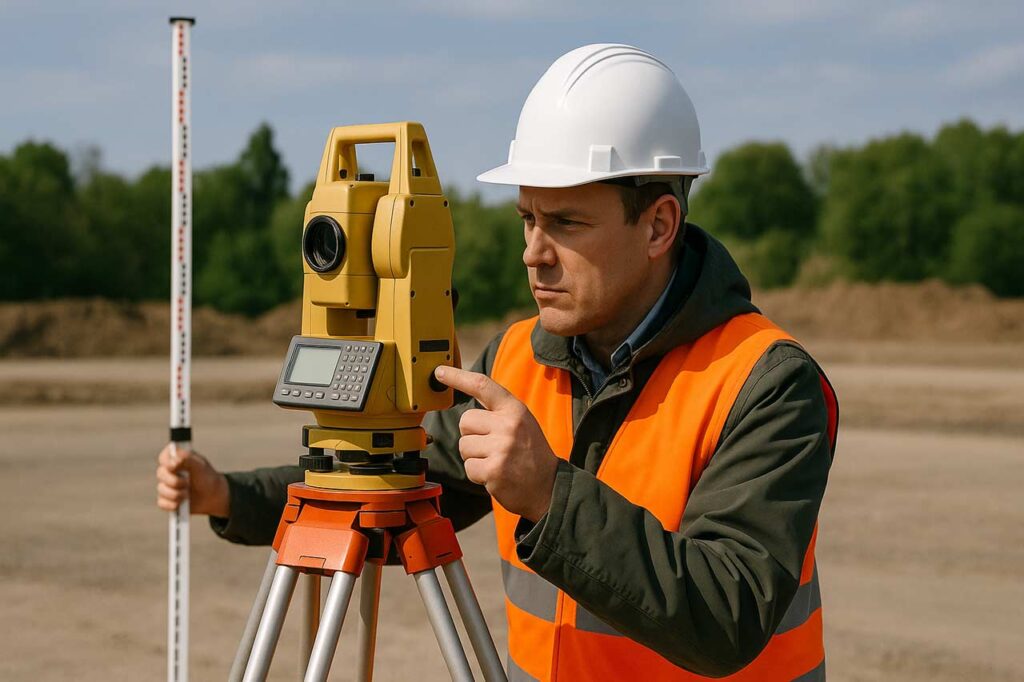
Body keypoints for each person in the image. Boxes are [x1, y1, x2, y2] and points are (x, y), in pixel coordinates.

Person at [156, 44, 837, 681]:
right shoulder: (516, 360)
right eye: (526, 219)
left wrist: (548, 493)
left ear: (659, 226)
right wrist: (229, 496)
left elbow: (728, 612)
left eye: (565, 224)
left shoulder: (766, 381)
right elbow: (398, 481)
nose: (532, 253)